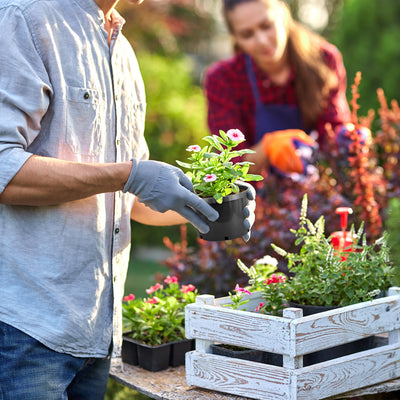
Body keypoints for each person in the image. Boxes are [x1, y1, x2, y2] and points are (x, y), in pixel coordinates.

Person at [0, 0, 255, 398]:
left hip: (95, 333)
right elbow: (4, 169)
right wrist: (128, 174)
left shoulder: (123, 52)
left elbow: (128, 201)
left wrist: (205, 209)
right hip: (24, 331)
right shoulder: (24, 19)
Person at [204, 0, 352, 176]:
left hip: (316, 183)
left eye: (267, 26)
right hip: (259, 195)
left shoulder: (323, 60)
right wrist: (266, 148)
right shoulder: (222, 80)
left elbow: (332, 134)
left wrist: (350, 139)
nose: (262, 40)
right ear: (236, 38)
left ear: (283, 15)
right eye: (247, 34)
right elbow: (230, 166)